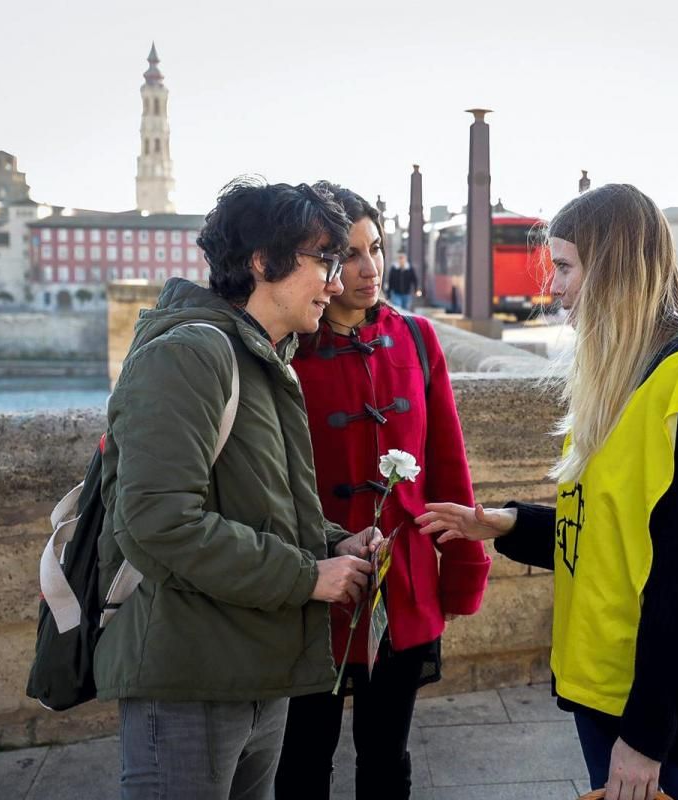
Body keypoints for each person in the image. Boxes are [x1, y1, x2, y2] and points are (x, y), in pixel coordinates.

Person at [416, 184, 678, 800]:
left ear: (614, 266)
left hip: (669, 704)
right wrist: (508, 523)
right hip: (605, 683)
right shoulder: (618, 368)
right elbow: (611, 528)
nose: (551, 287)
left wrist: (647, 735)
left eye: (564, 266)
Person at [97, 178, 383, 800]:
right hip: (191, 677)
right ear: (262, 261)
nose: (336, 283)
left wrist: (333, 546)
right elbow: (157, 522)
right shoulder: (191, 355)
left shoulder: (264, 358)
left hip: (254, 668)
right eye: (326, 261)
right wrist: (308, 578)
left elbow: (259, 506)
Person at [275, 182, 491, 799]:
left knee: (387, 761)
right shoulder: (284, 352)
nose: (370, 269)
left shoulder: (418, 340)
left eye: (376, 248)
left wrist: (463, 571)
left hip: (405, 587)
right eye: (348, 255)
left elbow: (448, 467)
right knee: (302, 763)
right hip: (310, 594)